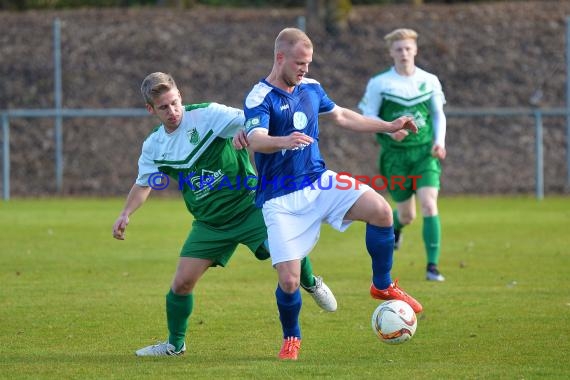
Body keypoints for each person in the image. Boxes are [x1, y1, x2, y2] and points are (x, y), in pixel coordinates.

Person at [112, 72, 337, 357]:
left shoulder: (209, 115)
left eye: (174, 103)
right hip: (210, 224)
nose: (172, 111)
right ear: (150, 110)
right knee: (181, 284)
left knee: (283, 252)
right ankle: (174, 346)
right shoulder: (155, 145)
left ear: (180, 95)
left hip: (250, 206)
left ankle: (310, 281)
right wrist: (126, 213)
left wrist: (247, 132)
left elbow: (256, 123)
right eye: (163, 108)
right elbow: (145, 183)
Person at [235, 27, 423, 361]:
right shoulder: (259, 96)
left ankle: (382, 284)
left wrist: (389, 125)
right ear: (280, 58)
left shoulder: (311, 87)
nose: (305, 69)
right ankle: (292, 337)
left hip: (320, 182)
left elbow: (343, 116)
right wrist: (284, 140)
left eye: (308, 63)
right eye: (299, 63)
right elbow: (257, 138)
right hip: (280, 200)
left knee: (381, 211)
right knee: (290, 281)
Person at [358, 28, 447, 282]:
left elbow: (438, 114)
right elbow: (368, 116)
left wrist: (439, 142)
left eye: (408, 48)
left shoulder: (429, 80)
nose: (404, 53)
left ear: (415, 50)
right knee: (407, 214)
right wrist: (388, 131)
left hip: (424, 154)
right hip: (394, 157)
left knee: (430, 203)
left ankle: (432, 267)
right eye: (398, 49)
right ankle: (397, 227)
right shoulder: (380, 83)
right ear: (391, 53)